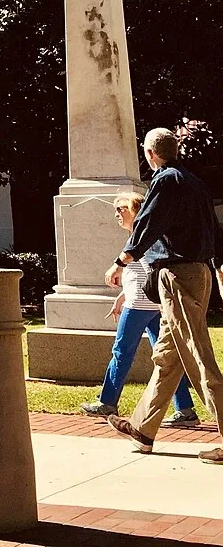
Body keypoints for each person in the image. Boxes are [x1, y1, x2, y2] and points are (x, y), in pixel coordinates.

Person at [104, 127, 223, 464]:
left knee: (199, 355)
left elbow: (146, 225)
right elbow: (215, 230)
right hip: (197, 273)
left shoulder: (164, 180)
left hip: (177, 276)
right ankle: (143, 429)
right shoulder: (195, 183)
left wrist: (121, 261)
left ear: (150, 154)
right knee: (168, 356)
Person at [80, 192, 198, 424]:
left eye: (122, 208)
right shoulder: (142, 237)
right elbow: (144, 275)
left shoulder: (141, 239)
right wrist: (122, 297)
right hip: (146, 305)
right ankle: (185, 410)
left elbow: (153, 274)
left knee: (121, 353)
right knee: (166, 358)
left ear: (137, 211)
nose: (117, 213)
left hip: (140, 307)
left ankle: (107, 402)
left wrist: (134, 299)